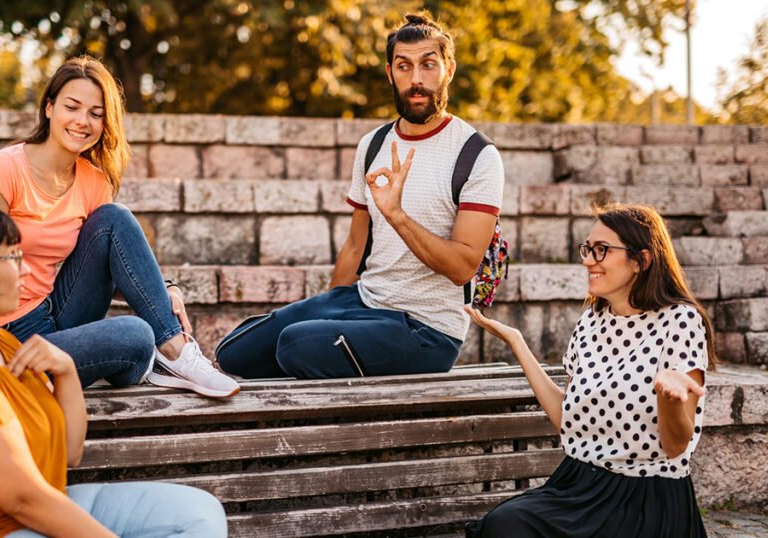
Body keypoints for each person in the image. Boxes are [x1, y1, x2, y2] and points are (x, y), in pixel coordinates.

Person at [0, 202, 228, 537]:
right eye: (12, 258)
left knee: (198, 515)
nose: (25, 269)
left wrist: (66, 371)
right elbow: (24, 498)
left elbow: (69, 453)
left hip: (22, 514)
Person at [215, 13, 505, 379]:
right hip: (365, 301)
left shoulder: (476, 154)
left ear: (448, 69)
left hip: (427, 329)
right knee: (235, 351)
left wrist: (397, 215)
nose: (416, 79)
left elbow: (463, 267)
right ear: (389, 73)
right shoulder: (374, 145)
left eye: (428, 65)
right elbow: (355, 246)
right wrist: (331, 311)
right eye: (404, 66)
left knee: (295, 344)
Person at [0, 55, 238, 398]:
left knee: (114, 218)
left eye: (96, 114)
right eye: (72, 107)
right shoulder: (3, 171)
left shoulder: (94, 182)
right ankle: (146, 357)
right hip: (10, 334)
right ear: (49, 108)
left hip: (59, 310)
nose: (83, 121)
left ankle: (175, 351)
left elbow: (114, 265)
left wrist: (163, 289)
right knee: (136, 337)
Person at [463, 203, 713, 537]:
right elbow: (567, 420)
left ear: (642, 260)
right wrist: (517, 344)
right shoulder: (591, 322)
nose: (587, 260)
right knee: (504, 526)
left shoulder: (681, 321)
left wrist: (667, 397)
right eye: (587, 249)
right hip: (579, 484)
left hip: (646, 497)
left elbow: (675, 446)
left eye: (602, 250)